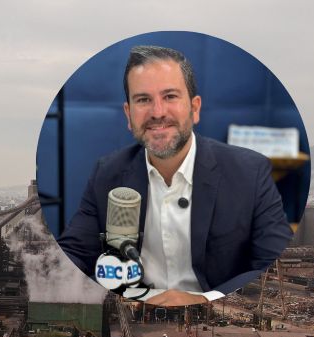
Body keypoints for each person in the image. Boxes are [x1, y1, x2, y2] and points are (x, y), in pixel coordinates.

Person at [57, 45, 292, 306]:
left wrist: (204, 299)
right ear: (129, 114)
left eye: (170, 96)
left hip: (214, 318)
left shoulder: (250, 173)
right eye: (143, 100)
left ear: (195, 108)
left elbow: (270, 263)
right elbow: (73, 255)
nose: (158, 112)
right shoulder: (107, 174)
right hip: (134, 317)